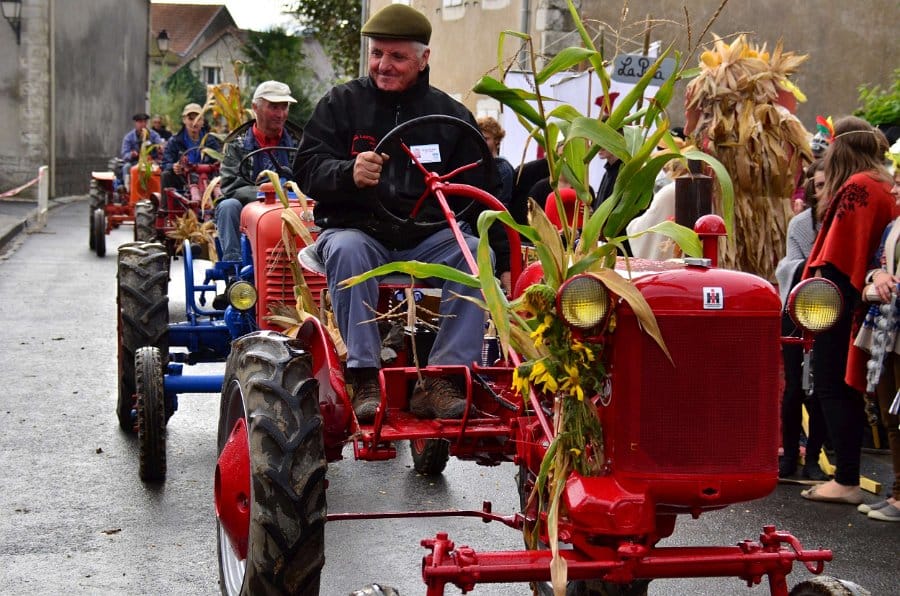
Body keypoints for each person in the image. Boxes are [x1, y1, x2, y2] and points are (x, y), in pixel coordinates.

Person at [293, 3, 509, 423]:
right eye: (377, 54)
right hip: (359, 229)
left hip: (427, 235)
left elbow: (485, 192)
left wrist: (500, 256)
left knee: (471, 253)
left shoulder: (449, 116)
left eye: (397, 57)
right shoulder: (341, 104)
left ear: (424, 58)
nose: (383, 65)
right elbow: (305, 168)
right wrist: (347, 172)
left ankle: (443, 376)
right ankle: (364, 374)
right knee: (348, 252)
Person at [799, 116, 896, 505]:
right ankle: (848, 477)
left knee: (833, 386)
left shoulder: (859, 186)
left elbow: (839, 255)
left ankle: (847, 479)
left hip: (843, 301)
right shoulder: (883, 184)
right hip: (864, 297)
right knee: (852, 392)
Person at [774, 159, 828, 482]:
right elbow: (791, 264)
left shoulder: (839, 222)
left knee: (820, 387)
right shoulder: (801, 224)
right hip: (795, 308)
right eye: (817, 186)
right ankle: (791, 455)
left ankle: (815, 457)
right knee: (794, 386)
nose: (821, 192)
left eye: (826, 185)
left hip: (826, 310)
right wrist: (815, 267)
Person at [853, 166, 900, 521]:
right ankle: (898, 492)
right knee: (889, 411)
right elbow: (874, 262)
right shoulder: (892, 226)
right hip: (888, 326)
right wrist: (878, 276)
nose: (895, 190)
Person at [216, 80, 299, 263]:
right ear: (255, 107)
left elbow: (310, 176)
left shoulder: (298, 141)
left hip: (293, 204)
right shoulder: (237, 143)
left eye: (284, 107)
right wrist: (266, 193)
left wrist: (291, 192)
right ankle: (234, 269)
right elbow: (230, 185)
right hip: (250, 205)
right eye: (274, 107)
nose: (281, 114)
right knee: (228, 207)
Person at [161, 103, 221, 192]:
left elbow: (219, 159)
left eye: (198, 119)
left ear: (203, 121)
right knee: (166, 175)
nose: (194, 123)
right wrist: (174, 167)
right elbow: (165, 164)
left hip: (207, 179)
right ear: (184, 120)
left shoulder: (211, 140)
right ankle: (166, 206)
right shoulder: (174, 141)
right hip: (183, 180)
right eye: (191, 119)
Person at [477, 116, 515, 207]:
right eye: (479, 137)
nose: (481, 142)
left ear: (496, 140)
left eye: (486, 139)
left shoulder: (503, 169)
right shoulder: (475, 164)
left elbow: (501, 203)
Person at [120, 112, 162, 184]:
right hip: (135, 162)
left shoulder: (154, 135)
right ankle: (127, 188)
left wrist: (160, 147)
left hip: (151, 162)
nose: (143, 124)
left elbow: (160, 144)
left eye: (145, 122)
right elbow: (124, 154)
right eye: (140, 122)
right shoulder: (128, 137)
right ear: (136, 123)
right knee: (126, 167)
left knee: (162, 168)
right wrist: (131, 154)